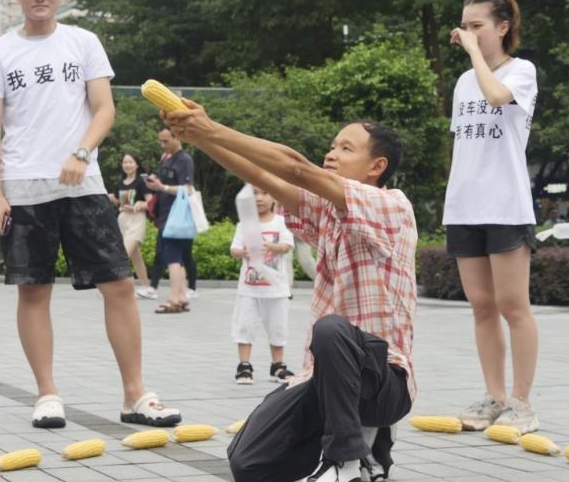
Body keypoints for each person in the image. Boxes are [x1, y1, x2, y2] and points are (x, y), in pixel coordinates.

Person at [0, 0, 180, 430]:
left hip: (83, 185)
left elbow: (103, 108)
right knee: (33, 292)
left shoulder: (83, 43)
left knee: (120, 285)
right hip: (24, 189)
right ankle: (47, 394)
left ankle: (135, 395)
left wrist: (82, 152)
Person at [165, 104, 416, 482]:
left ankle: (348, 461)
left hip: (384, 381)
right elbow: (266, 175)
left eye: (346, 148)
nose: (331, 153)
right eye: (332, 146)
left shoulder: (391, 205)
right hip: (326, 376)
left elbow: (297, 169)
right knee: (249, 462)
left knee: (330, 330)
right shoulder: (330, 211)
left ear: (376, 167)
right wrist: (198, 136)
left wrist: (212, 127)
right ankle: (362, 458)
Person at [443, 0, 541, 434]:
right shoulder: (464, 83)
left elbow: (498, 97)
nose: (468, 33)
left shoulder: (522, 72)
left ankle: (521, 402)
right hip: (464, 206)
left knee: (512, 306)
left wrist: (474, 54)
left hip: (506, 205)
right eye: (464, 25)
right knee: (481, 305)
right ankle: (494, 396)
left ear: (503, 28)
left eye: (477, 25)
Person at [229, 186, 295, 385]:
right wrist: (243, 252)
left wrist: (270, 246)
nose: (259, 198)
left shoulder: (281, 222)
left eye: (265, 193)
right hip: (249, 287)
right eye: (255, 193)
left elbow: (287, 246)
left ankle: (277, 365)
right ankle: (244, 365)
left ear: (274, 196)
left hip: (276, 288)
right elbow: (234, 249)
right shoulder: (245, 224)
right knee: (245, 325)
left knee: (277, 326)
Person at [145, 128, 197, 311]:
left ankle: (174, 299)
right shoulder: (166, 158)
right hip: (166, 214)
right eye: (161, 141)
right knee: (177, 258)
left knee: (173, 258)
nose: (163, 145)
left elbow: (188, 189)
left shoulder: (184, 159)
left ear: (177, 137)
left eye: (166, 141)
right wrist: (156, 183)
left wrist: (163, 187)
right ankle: (181, 297)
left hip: (177, 216)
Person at [107, 153, 155, 297]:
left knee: (123, 254)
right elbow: (118, 201)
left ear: (136, 165)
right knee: (135, 257)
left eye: (130, 162)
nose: (127, 164)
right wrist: (110, 198)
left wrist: (139, 205)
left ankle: (116, 287)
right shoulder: (120, 183)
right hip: (122, 220)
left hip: (136, 220)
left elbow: (151, 203)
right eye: (125, 162)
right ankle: (147, 288)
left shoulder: (141, 182)